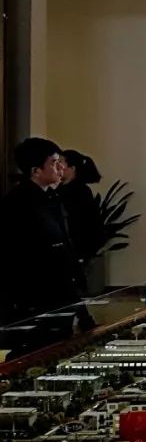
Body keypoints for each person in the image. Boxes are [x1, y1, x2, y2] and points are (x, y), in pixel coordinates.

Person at [0, 138, 83, 323]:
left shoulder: (52, 197)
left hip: (60, 291)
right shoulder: (16, 203)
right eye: (54, 162)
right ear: (36, 170)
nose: (61, 167)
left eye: (60, 162)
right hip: (34, 297)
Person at [58, 149, 103, 290]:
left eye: (61, 163)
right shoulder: (59, 190)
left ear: (72, 168)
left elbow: (86, 223)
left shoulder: (81, 192)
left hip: (76, 248)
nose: (58, 167)